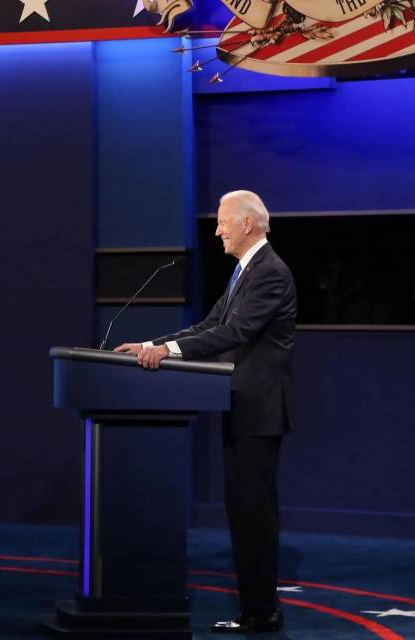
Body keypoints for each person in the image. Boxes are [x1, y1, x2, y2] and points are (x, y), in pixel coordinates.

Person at [114, 190, 296, 634]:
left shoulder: (269, 273)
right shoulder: (244, 272)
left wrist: (167, 350)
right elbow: (208, 325)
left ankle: (262, 612)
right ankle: (256, 609)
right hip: (239, 407)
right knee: (243, 513)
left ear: (247, 225)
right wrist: (154, 345)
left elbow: (235, 332)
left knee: (254, 513)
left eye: (222, 222)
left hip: (259, 411)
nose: (217, 230)